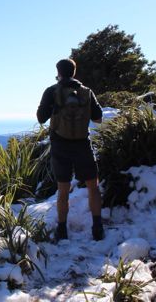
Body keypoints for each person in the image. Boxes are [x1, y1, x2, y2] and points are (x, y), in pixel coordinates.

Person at [36, 58, 104, 241]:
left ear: (58, 71)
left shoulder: (51, 91)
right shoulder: (86, 92)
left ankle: (62, 229)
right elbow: (98, 118)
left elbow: (41, 118)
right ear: (74, 72)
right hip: (82, 144)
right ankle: (98, 227)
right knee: (93, 186)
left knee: (63, 189)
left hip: (60, 144)